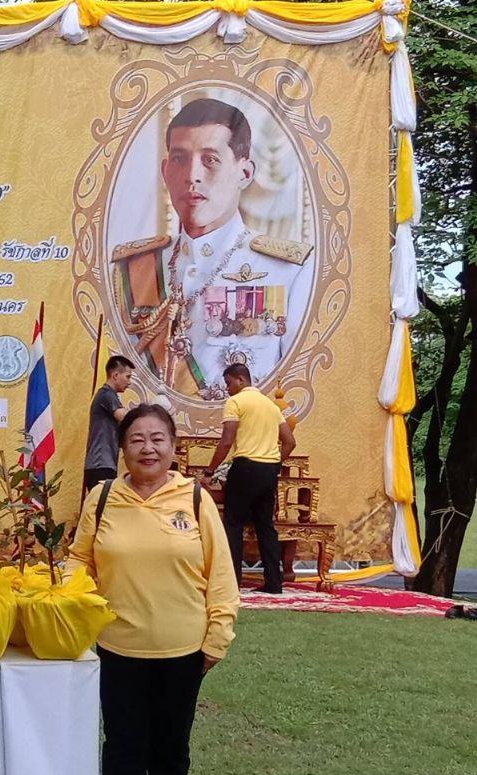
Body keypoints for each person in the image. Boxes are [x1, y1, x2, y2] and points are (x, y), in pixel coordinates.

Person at [68, 404, 239, 775]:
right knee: (123, 745)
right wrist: (70, 596)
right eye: (137, 439)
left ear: (173, 446)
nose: (148, 448)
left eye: (157, 438)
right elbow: (80, 559)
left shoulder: (196, 498)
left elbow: (221, 574)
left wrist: (217, 636)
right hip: (117, 646)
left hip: (183, 649)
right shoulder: (103, 497)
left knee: (170, 746)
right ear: (123, 448)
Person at [110, 97, 314, 400]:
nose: (191, 175)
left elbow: (298, 382)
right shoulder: (131, 268)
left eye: (210, 159)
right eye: (179, 159)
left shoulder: (289, 270)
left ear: (245, 173)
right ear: (165, 171)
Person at [202, 363, 296, 595]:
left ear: (241, 380)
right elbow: (290, 442)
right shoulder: (271, 405)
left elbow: (226, 441)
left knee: (233, 524)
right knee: (266, 526)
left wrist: (209, 471)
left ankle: (232, 582)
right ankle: (274, 583)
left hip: (244, 468)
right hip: (268, 471)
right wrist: (274, 463)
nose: (227, 389)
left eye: (228, 383)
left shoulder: (235, 402)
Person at [83, 355, 135, 493]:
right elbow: (126, 419)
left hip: (104, 465)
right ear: (116, 375)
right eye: (128, 377)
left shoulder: (108, 396)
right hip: (100, 464)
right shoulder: (106, 395)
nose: (129, 382)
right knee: (102, 504)